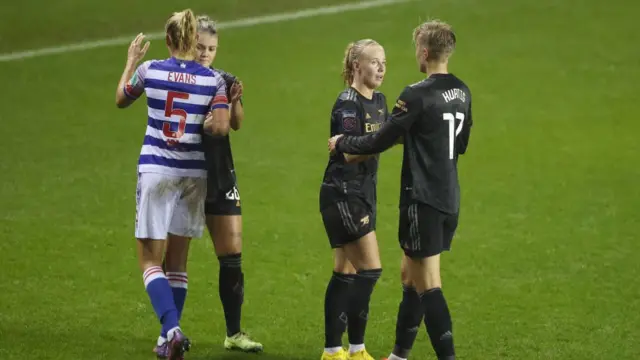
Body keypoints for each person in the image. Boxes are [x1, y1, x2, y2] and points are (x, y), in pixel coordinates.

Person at [329, 20, 473, 360]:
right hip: (449, 197)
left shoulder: (416, 94)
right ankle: (398, 356)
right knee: (409, 276)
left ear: (424, 52)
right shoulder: (463, 91)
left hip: (422, 198)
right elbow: (462, 143)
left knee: (428, 284)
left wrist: (343, 142)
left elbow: (382, 138)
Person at [114, 8, 230, 360]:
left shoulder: (150, 70)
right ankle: (168, 341)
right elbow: (222, 127)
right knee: (177, 262)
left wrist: (130, 61)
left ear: (168, 40)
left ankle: (172, 330)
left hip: (157, 171)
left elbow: (122, 98)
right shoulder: (214, 81)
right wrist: (206, 123)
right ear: (194, 41)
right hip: (194, 173)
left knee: (149, 260)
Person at [320, 39, 388, 360]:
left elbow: (359, 143)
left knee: (344, 272)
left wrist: (372, 141)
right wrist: (385, 140)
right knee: (369, 271)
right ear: (358, 66)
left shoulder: (380, 101)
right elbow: (347, 153)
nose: (382, 68)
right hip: (343, 194)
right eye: (375, 62)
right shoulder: (347, 104)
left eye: (384, 63)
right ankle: (357, 350)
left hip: (363, 194)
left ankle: (334, 352)